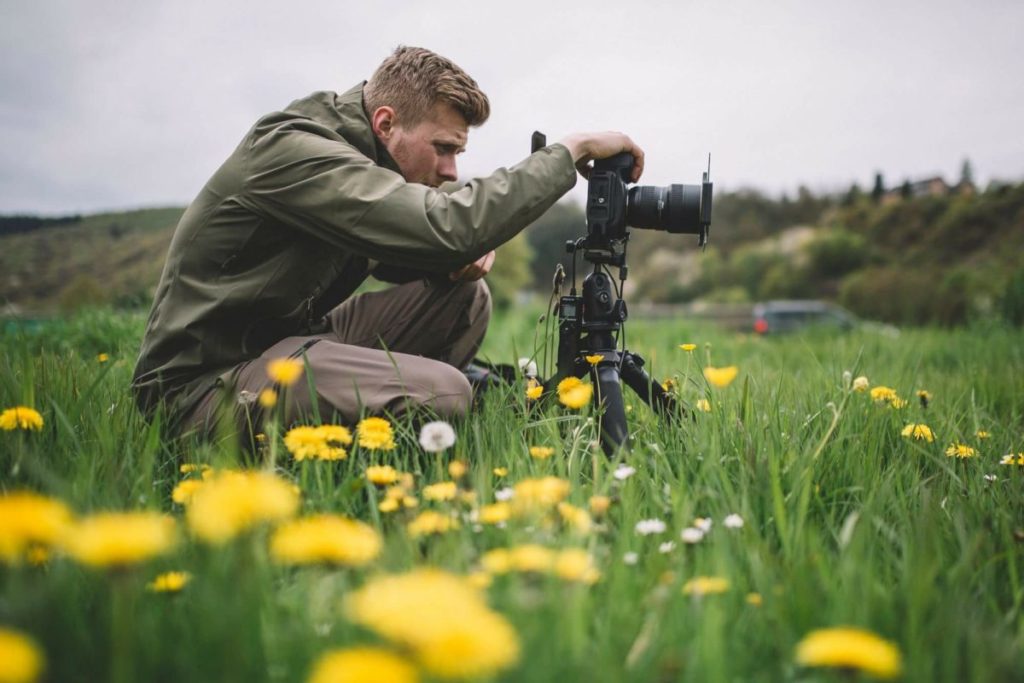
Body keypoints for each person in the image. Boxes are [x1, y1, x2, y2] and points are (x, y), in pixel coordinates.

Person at [131, 45, 644, 438]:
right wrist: (567, 153)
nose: (451, 171)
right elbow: (445, 227)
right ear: (385, 123)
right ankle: (404, 437)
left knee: (464, 296)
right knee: (446, 392)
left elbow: (391, 256)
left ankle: (396, 426)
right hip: (204, 385)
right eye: (443, 149)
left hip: (288, 340)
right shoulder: (294, 150)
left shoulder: (367, 157)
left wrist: (447, 268)